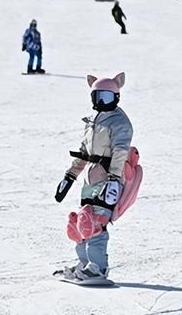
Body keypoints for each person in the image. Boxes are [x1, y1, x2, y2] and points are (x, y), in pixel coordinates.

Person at [53, 72, 133, 282]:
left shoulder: (119, 122)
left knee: (96, 222)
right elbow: (84, 152)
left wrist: (114, 179)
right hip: (91, 178)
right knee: (81, 223)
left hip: (107, 178)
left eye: (106, 97)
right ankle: (84, 264)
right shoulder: (93, 121)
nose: (101, 102)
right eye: (97, 97)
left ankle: (98, 268)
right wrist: (70, 176)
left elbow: (120, 151)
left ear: (116, 97)